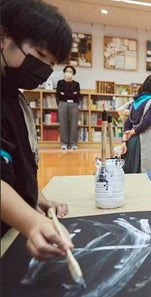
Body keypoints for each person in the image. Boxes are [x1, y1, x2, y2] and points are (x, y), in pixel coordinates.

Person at [1, 0, 73, 260]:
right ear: (4, 36)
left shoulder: (12, 94)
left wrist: (36, 196)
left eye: (51, 63)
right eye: (41, 56)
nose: (44, 69)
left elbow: (14, 162)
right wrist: (32, 222)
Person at [121, 74, 151, 173]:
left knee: (131, 173)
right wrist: (135, 131)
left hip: (132, 141)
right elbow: (147, 122)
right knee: (146, 172)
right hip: (145, 141)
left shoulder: (134, 102)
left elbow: (127, 123)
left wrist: (124, 140)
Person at [56, 65, 81, 150]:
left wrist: (65, 94)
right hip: (62, 104)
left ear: (73, 73)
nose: (68, 73)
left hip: (74, 105)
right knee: (63, 124)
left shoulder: (76, 84)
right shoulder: (60, 83)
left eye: (70, 72)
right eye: (67, 71)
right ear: (64, 73)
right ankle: (64, 143)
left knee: (74, 124)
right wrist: (70, 95)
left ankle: (73, 143)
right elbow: (59, 95)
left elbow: (76, 96)